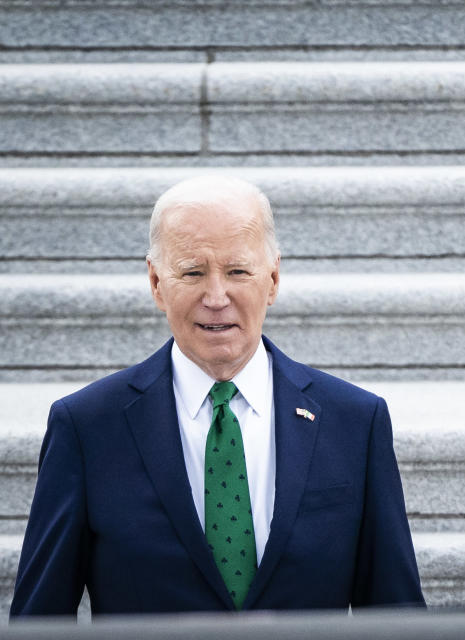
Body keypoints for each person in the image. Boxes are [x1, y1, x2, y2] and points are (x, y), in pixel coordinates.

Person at [11, 175, 424, 616]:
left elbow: (395, 615)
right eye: (192, 272)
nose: (215, 296)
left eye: (237, 271)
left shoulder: (355, 422)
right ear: (155, 283)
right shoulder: (87, 427)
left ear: (273, 280)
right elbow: (39, 620)